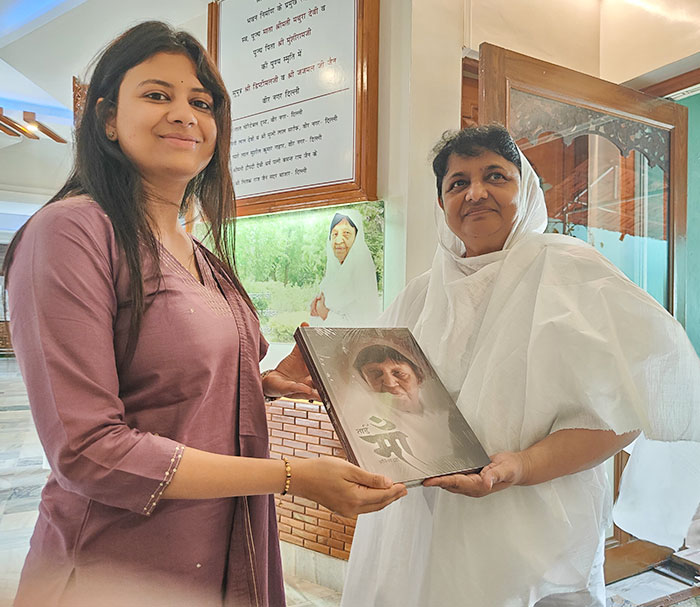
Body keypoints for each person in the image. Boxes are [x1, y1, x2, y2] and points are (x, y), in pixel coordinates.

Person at [3, 22, 406, 607]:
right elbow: (87, 449)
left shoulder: (200, 254)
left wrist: (261, 382)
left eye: (201, 102)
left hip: (224, 542)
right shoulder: (71, 233)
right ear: (107, 118)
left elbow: (165, 387)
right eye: (157, 95)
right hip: (118, 565)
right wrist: (292, 477)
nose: (185, 114)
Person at [341, 125, 700, 606]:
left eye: (495, 176)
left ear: (525, 188)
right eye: (457, 183)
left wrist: (522, 465)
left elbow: (630, 410)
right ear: (441, 202)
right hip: (419, 524)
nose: (476, 192)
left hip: (533, 530)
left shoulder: (574, 274)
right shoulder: (422, 293)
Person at [310, 209, 381, 326]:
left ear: (356, 238)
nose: (338, 240)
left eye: (346, 233)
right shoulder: (330, 279)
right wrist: (315, 310)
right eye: (335, 234)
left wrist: (324, 313)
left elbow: (362, 330)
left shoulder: (362, 276)